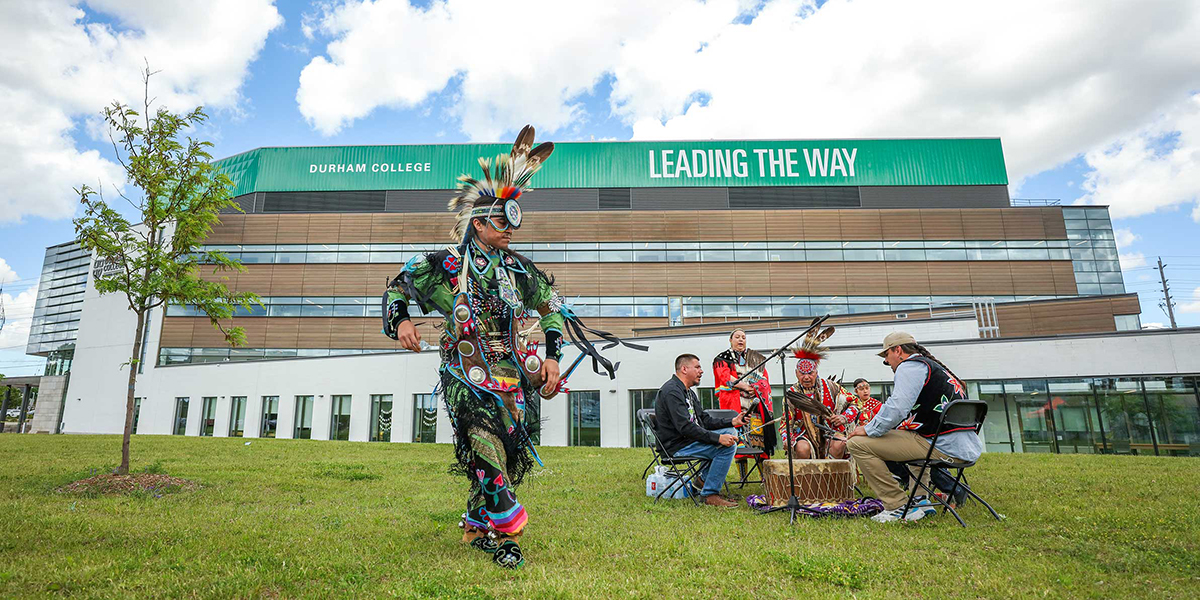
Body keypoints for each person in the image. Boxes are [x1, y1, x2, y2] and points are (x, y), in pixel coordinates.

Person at [383, 125, 631, 568]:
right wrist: (401, 321)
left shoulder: (521, 270)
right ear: (478, 223)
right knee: (482, 438)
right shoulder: (444, 264)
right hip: (467, 373)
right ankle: (504, 521)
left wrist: (552, 358)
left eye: (515, 221)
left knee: (508, 451)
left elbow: (554, 309)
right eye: (503, 221)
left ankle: (476, 523)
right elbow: (397, 286)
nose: (512, 230)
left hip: (516, 376)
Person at [847, 332, 982, 524]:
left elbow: (897, 407)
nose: (888, 363)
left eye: (887, 357)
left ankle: (897, 505)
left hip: (943, 448)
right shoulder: (935, 368)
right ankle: (919, 501)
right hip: (963, 448)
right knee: (910, 435)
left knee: (857, 443)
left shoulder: (909, 367)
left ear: (898, 350)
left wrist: (868, 429)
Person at [654, 354, 749, 508]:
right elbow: (685, 428)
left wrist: (733, 421)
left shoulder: (688, 392)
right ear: (684, 369)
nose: (702, 371)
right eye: (697, 367)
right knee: (727, 446)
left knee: (730, 431)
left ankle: (702, 480)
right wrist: (718, 439)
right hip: (678, 446)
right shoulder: (672, 391)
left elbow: (704, 421)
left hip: (690, 440)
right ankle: (710, 494)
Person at [782, 327, 858, 459]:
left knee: (840, 443)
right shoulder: (792, 393)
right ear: (796, 373)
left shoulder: (831, 386)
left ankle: (834, 478)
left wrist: (843, 417)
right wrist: (786, 438)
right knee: (802, 448)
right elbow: (785, 422)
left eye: (810, 373)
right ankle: (806, 479)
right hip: (803, 434)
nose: (806, 377)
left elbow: (855, 404)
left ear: (816, 372)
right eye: (802, 373)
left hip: (831, 430)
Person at [713, 329, 775, 480]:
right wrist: (745, 386)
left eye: (743, 337)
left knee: (759, 443)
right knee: (738, 443)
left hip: (755, 408)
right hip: (735, 408)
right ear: (730, 340)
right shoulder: (722, 358)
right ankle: (743, 478)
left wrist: (756, 388)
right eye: (737, 337)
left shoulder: (756, 360)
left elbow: (764, 380)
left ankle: (763, 478)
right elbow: (724, 377)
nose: (741, 340)